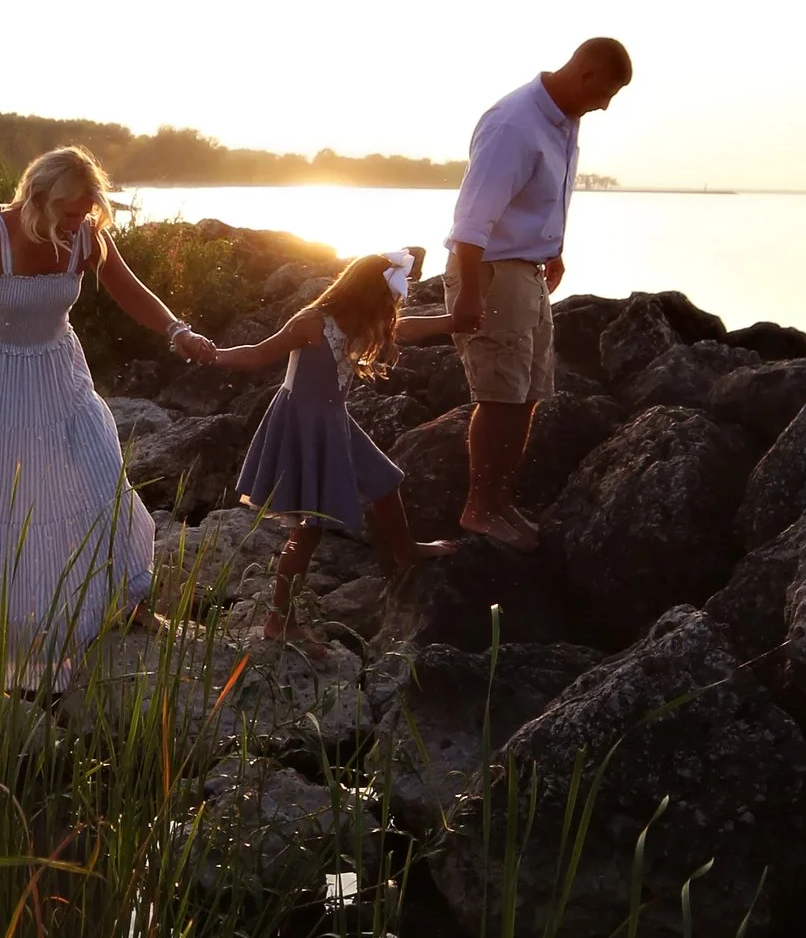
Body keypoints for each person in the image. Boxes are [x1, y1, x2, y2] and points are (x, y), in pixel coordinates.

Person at [0, 145, 217, 672]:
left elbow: (129, 290)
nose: (80, 221)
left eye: (87, 210)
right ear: (39, 197)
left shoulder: (85, 237)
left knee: (98, 467)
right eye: (70, 211)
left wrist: (178, 330)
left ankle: (123, 595)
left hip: (58, 370)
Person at [206, 247, 456, 649]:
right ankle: (278, 621)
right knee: (308, 531)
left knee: (385, 480)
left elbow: (409, 328)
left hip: (334, 420)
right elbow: (258, 355)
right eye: (389, 299)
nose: (392, 309)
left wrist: (453, 321)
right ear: (367, 295)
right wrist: (212, 355)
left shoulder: (364, 323)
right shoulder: (311, 323)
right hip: (301, 425)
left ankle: (405, 550)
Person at [446, 37, 633, 547]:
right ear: (586, 75)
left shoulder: (563, 122)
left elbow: (537, 199)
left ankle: (501, 502)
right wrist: (469, 293)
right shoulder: (515, 122)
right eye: (606, 93)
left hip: (526, 270)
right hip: (489, 271)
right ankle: (478, 508)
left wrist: (552, 247)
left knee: (527, 396)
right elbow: (472, 216)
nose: (605, 106)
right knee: (498, 395)